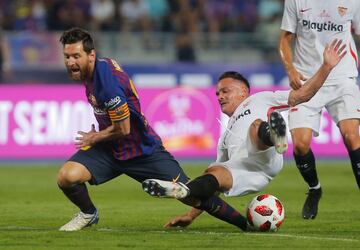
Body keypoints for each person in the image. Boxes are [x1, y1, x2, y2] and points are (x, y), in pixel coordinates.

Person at [142, 39, 346, 230]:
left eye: (225, 91)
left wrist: (326, 67)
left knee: (256, 126)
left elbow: (302, 95)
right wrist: (190, 215)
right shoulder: (225, 137)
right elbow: (214, 186)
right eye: (217, 93)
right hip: (245, 173)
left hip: (265, 155)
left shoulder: (260, 99)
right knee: (212, 172)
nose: (220, 96)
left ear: (243, 91)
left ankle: (275, 137)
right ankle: (185, 191)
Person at [56, 27, 190, 231]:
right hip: (110, 148)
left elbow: (124, 129)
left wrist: (95, 137)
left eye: (76, 56)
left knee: (192, 193)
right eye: (67, 56)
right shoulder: (95, 71)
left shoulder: (107, 84)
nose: (70, 62)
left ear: (91, 55)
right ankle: (88, 214)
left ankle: (235, 210)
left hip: (140, 149)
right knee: (67, 176)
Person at [279, 0, 360, 220]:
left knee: (352, 137)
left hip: (342, 76)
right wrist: (291, 69)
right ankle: (315, 189)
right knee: (300, 145)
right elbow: (285, 39)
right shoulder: (296, 0)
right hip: (306, 79)